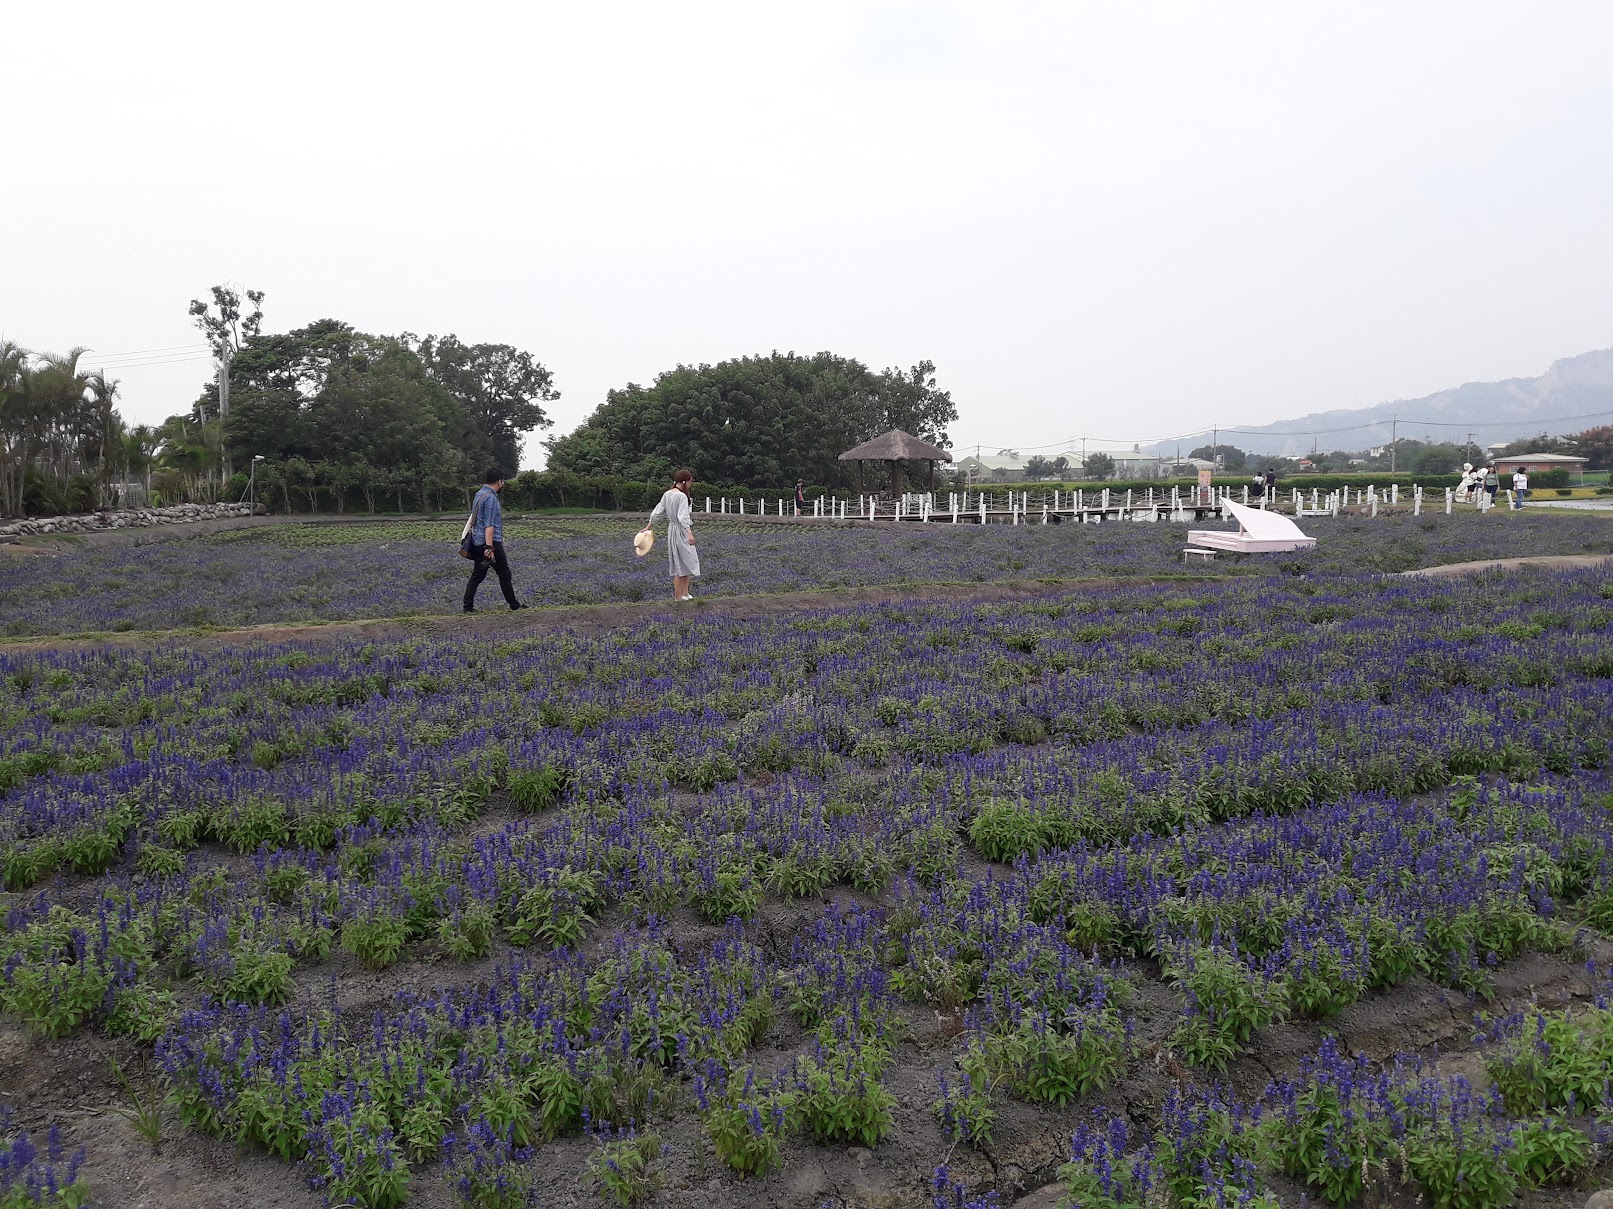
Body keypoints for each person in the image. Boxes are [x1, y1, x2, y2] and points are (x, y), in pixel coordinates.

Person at [463, 467, 525, 613]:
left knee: (477, 575)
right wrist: (489, 547)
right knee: (504, 573)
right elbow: (489, 525)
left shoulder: (479, 494)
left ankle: (467, 607)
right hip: (488, 543)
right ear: (499, 481)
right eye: (502, 482)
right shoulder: (491, 498)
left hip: (477, 541)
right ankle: (515, 606)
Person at [641, 468, 700, 600]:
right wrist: (689, 534)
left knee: (681, 561)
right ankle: (679, 596)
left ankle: (684, 594)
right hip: (680, 530)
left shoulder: (667, 494)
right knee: (687, 560)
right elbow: (683, 517)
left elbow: (657, 512)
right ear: (686, 481)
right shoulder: (681, 496)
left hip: (672, 530)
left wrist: (648, 527)